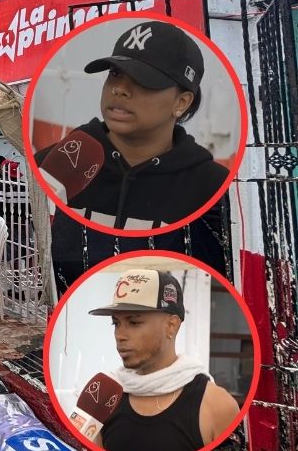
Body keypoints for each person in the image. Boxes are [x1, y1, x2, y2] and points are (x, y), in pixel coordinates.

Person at [35, 21, 229, 290]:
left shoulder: (210, 185)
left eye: (143, 81)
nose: (120, 89)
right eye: (115, 74)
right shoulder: (59, 161)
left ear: (181, 102)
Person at [85, 269, 239, 451]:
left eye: (134, 323)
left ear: (171, 326)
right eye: (116, 323)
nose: (120, 335)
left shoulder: (215, 405)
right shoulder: (103, 394)